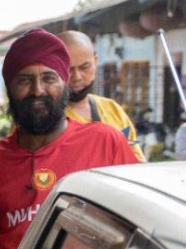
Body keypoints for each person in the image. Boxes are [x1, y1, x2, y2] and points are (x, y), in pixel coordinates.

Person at [0, 29, 140, 249]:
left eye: (49, 78)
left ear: (64, 84)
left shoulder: (105, 143)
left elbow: (138, 229)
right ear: (9, 88)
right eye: (24, 80)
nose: (37, 90)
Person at [58, 30, 145, 161]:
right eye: (68, 69)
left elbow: (136, 160)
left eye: (84, 67)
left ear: (95, 61)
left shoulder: (112, 109)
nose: (77, 77)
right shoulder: (47, 118)